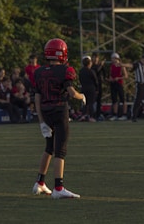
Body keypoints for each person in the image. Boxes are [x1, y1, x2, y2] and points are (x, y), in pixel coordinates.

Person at [32, 38, 86, 199]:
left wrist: (41, 120)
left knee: (49, 147)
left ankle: (40, 183)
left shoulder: (39, 71)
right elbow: (70, 92)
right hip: (59, 111)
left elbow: (37, 97)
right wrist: (81, 96)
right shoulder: (65, 70)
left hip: (46, 112)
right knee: (60, 150)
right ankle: (58, 187)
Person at [122, 54, 144, 122]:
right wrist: (122, 64)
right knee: (138, 101)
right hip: (141, 85)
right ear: (142, 59)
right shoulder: (137, 64)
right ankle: (134, 116)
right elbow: (130, 65)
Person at [79, 55, 98, 122]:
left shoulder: (81, 71)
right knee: (91, 103)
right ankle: (91, 116)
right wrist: (97, 89)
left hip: (83, 87)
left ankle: (83, 115)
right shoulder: (91, 71)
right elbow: (95, 80)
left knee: (85, 103)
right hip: (91, 88)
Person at [109, 53, 128, 121]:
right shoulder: (112, 66)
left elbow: (126, 76)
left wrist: (119, 78)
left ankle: (124, 114)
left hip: (119, 84)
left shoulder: (121, 66)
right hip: (113, 84)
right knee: (114, 100)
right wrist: (110, 78)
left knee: (122, 99)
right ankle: (115, 114)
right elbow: (111, 74)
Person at [91, 52, 106, 120]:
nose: (95, 59)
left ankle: (98, 114)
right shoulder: (92, 66)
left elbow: (104, 73)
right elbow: (96, 71)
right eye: (94, 57)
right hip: (94, 84)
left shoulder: (100, 65)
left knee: (99, 100)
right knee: (94, 100)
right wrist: (101, 65)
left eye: (96, 57)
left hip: (99, 84)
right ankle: (93, 114)